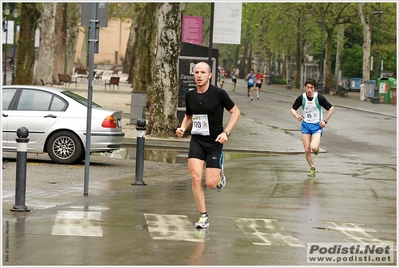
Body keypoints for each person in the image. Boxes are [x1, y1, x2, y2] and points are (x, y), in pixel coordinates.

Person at [176, 62, 241, 229]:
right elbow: (189, 116)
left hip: (215, 142)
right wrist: (183, 127)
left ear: (210, 75)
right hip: (197, 140)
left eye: (203, 72)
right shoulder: (190, 95)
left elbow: (236, 112)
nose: (199, 75)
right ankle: (203, 216)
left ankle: (219, 174)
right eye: (196, 72)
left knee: (211, 184)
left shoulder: (219, 94)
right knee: (195, 177)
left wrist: (226, 132)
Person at [290, 78, 334, 177]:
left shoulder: (319, 98)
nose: (309, 90)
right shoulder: (302, 98)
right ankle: (312, 168)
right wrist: (297, 116)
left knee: (313, 148)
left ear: (314, 88)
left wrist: (325, 121)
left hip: (316, 126)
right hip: (305, 125)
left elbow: (331, 108)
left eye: (311, 88)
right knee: (306, 150)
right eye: (307, 87)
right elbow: (292, 109)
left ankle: (316, 149)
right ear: (305, 88)